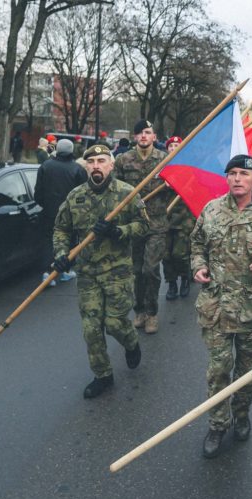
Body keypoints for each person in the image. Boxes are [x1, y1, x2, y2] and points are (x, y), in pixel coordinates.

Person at [191, 154, 252, 458]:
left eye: (243, 174)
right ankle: (218, 423)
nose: (236, 179)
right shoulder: (211, 210)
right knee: (218, 369)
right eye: (231, 173)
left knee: (248, 372)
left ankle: (242, 414)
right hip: (217, 306)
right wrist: (198, 265)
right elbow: (196, 243)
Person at [51, 144, 148, 398]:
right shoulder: (75, 196)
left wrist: (120, 232)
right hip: (88, 273)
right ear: (86, 167)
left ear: (111, 165)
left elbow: (143, 226)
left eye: (101, 161)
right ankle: (102, 375)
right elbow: (61, 229)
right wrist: (62, 255)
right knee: (91, 329)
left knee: (115, 323)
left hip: (118, 272)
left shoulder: (126, 194)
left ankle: (131, 343)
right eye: (91, 161)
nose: (96, 165)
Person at [114, 120, 171, 335]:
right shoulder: (123, 159)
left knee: (151, 269)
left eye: (148, 132)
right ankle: (139, 310)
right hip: (134, 223)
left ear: (154, 136)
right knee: (136, 271)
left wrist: (171, 186)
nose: (144, 136)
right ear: (135, 137)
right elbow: (115, 188)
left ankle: (152, 313)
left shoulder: (165, 160)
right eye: (140, 133)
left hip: (157, 223)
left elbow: (176, 190)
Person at [35, 138, 87, 285]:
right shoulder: (78, 169)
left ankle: (47, 273)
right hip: (70, 214)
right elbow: (83, 195)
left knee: (48, 241)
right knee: (69, 241)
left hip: (49, 212)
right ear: (71, 151)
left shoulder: (45, 166)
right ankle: (65, 271)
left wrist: (45, 204)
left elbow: (38, 192)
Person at [161, 136, 195, 300]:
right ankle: (171, 283)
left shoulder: (188, 168)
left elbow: (196, 190)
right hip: (164, 217)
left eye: (177, 145)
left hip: (183, 218)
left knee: (180, 254)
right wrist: (163, 184)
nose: (174, 147)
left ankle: (185, 279)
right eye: (171, 145)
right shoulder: (160, 167)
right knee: (166, 255)